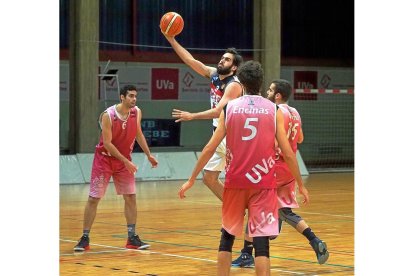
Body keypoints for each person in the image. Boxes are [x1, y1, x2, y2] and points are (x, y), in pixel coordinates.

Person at [178, 61, 307, 276]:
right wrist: (300, 185)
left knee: (227, 237)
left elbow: (210, 147)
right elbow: (288, 152)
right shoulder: (273, 110)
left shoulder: (229, 108)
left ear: (242, 84)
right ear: (260, 83)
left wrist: (191, 178)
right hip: (263, 184)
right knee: (262, 245)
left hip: (235, 182)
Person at [231, 79, 329, 267]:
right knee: (283, 210)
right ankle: (314, 240)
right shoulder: (295, 112)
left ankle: (246, 253)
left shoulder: (275, 111)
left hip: (273, 168)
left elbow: (274, 143)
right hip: (289, 171)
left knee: (255, 206)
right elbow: (300, 138)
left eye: (269, 90)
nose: (267, 92)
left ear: (277, 95)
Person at [73, 85, 158, 251]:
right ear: (122, 97)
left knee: (131, 197)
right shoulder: (108, 115)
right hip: (104, 160)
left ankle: (132, 238)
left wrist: (149, 155)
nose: (134, 99)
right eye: (131, 96)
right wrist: (126, 161)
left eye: (135, 96)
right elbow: (107, 143)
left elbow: (138, 133)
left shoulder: (137, 112)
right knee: (94, 198)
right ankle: (84, 238)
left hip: (123, 162)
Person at [161, 31, 243, 201]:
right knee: (209, 178)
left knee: (240, 179)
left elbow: (218, 111)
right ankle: (235, 208)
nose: (222, 60)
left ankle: (255, 208)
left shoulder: (234, 85)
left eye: (227, 59)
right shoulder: (213, 74)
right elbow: (190, 61)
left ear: (234, 67)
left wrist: (192, 116)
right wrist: (171, 39)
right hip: (218, 133)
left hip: (232, 136)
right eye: (222, 58)